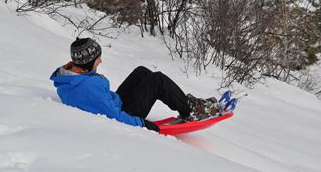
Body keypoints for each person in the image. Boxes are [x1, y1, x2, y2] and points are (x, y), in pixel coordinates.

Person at [50, 37, 218, 132]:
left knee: (141, 71)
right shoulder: (88, 87)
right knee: (157, 80)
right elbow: (113, 117)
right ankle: (192, 110)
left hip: (117, 102)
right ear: (87, 61)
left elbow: (101, 102)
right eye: (97, 59)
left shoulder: (73, 76)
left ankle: (186, 103)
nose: (100, 61)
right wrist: (143, 124)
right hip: (126, 113)